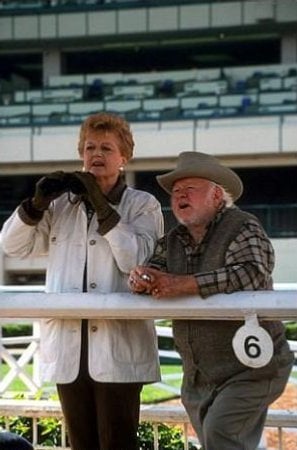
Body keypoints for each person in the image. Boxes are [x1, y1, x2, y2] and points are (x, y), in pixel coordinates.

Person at [1, 112, 164, 450]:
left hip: (119, 347)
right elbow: (12, 245)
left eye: (107, 147)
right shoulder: (60, 205)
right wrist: (36, 204)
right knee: (81, 443)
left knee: (117, 442)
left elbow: (134, 260)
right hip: (68, 348)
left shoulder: (143, 205)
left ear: (124, 158)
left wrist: (101, 206)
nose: (96, 154)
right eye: (89, 147)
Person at [129, 151, 294, 450]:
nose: (179, 196)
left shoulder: (243, 225)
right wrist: (141, 278)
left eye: (189, 189)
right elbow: (155, 275)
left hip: (253, 369)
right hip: (199, 377)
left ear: (217, 195)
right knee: (218, 441)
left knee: (220, 433)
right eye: (176, 191)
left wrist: (182, 285)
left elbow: (252, 273)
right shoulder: (172, 240)